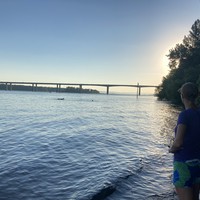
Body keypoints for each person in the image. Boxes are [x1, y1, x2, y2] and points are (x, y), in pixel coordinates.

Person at [169, 82, 200, 200]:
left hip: (184, 164)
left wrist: (171, 149)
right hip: (198, 163)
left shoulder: (184, 115)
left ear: (182, 96)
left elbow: (178, 142)